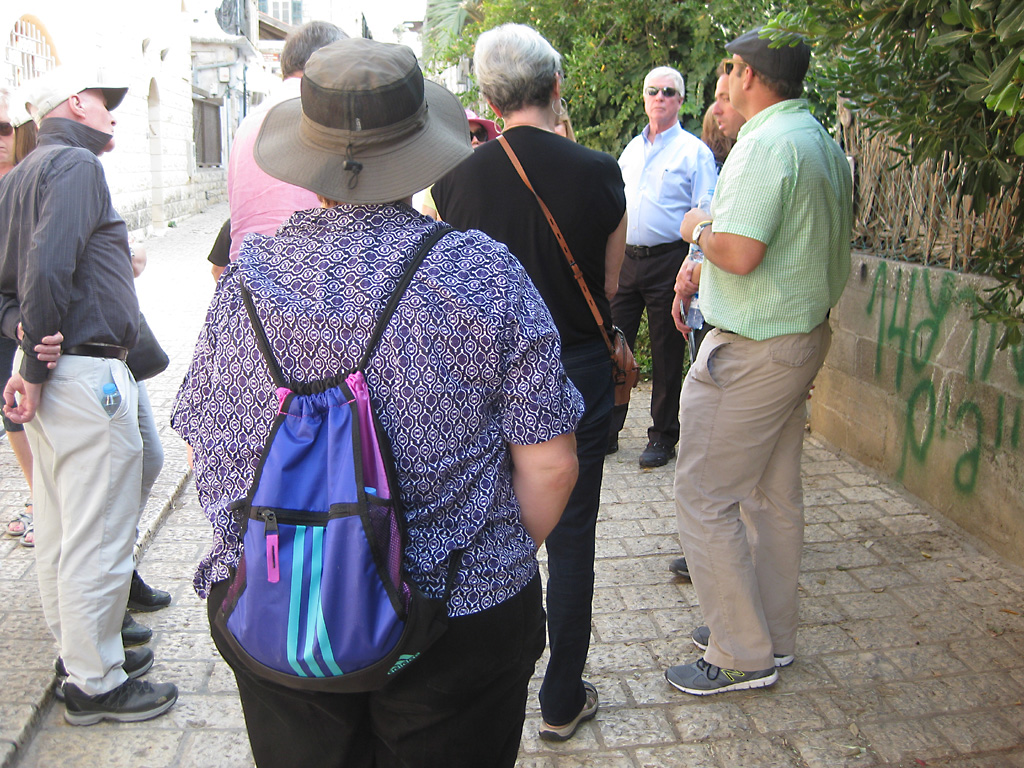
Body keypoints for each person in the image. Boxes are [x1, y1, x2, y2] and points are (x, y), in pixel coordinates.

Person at [171, 38, 582, 767]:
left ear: (311, 157)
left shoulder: (244, 283)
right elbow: (551, 466)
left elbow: (207, 448)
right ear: (422, 152)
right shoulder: (484, 274)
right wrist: (485, 559)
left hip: (280, 616)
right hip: (456, 623)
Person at [432, 23, 627, 742]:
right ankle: (561, 698)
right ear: (556, 87)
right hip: (576, 372)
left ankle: (478, 678)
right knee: (572, 540)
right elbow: (609, 288)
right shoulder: (601, 171)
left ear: (488, 99)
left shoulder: (454, 179)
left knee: (481, 526)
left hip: (481, 380)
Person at [665, 28, 853, 695]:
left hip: (753, 351)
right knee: (773, 498)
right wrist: (704, 261)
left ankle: (741, 652)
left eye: (728, 67)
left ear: (744, 72)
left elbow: (741, 251)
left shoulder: (765, 143)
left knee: (704, 494)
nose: (723, 79)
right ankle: (768, 632)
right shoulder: (816, 139)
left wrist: (694, 228)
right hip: (797, 341)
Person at [0, 65, 178, 724]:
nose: (112, 113)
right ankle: (95, 682)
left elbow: (10, 288)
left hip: (60, 374)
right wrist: (34, 356)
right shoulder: (73, 167)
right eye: (105, 102)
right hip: (81, 374)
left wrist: (25, 345)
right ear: (75, 102)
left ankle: (79, 657)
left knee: (61, 527)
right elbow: (47, 266)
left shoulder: (18, 177)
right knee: (94, 534)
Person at [609, 66, 718, 468]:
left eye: (668, 92)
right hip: (627, 260)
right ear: (643, 97)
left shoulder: (695, 152)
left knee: (667, 351)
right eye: (652, 90)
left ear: (681, 100)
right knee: (613, 345)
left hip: (669, 260)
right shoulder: (631, 151)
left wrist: (692, 268)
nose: (659, 97)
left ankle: (663, 436)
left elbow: (705, 211)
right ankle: (608, 429)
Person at [668, 65, 748, 582]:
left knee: (714, 459)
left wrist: (695, 236)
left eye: (725, 96)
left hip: (744, 336)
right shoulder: (735, 155)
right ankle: (713, 549)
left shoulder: (757, 157)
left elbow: (739, 251)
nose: (715, 109)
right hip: (715, 315)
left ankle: (718, 554)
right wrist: (690, 271)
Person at [217, 20, 344, 280]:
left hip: (246, 286)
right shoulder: (323, 113)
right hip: (310, 283)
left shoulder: (249, 121)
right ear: (330, 65)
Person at [0, 89, 39, 544]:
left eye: (5, 129)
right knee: (8, 402)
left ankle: (41, 498)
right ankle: (37, 494)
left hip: (28, 308)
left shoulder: (31, 179)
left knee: (29, 397)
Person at [420, 109, 497, 220]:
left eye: (480, 134)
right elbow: (428, 224)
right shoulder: (439, 182)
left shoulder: (497, 174)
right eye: (468, 135)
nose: (475, 140)